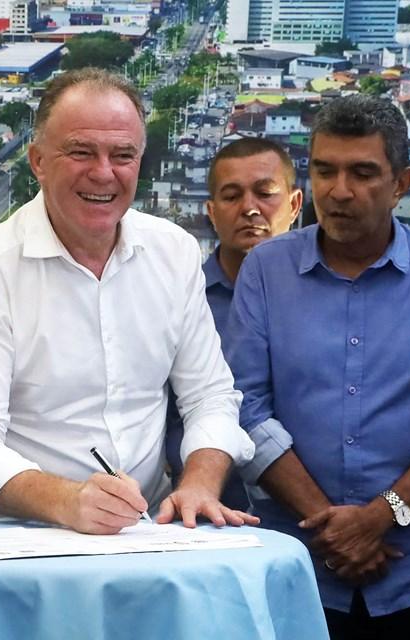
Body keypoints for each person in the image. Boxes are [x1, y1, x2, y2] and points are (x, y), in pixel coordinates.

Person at [224, 94, 410, 639]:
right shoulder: (267, 270)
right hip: (295, 567)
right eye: (324, 170)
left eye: (363, 173)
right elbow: (245, 407)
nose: (338, 191)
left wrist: (378, 518)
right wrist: (333, 529)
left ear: (402, 183)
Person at [0, 68, 258, 535]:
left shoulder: (174, 252)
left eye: (122, 155)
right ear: (38, 160)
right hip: (29, 538)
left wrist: (200, 485)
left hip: (152, 527)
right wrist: (66, 500)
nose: (103, 173)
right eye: (81, 152)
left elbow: (209, 396)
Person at [165, 137, 302, 511]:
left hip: (312, 516)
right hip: (201, 513)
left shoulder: (326, 302)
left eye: (265, 193)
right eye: (232, 196)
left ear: (294, 205)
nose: (250, 209)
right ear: (211, 210)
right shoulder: (180, 300)